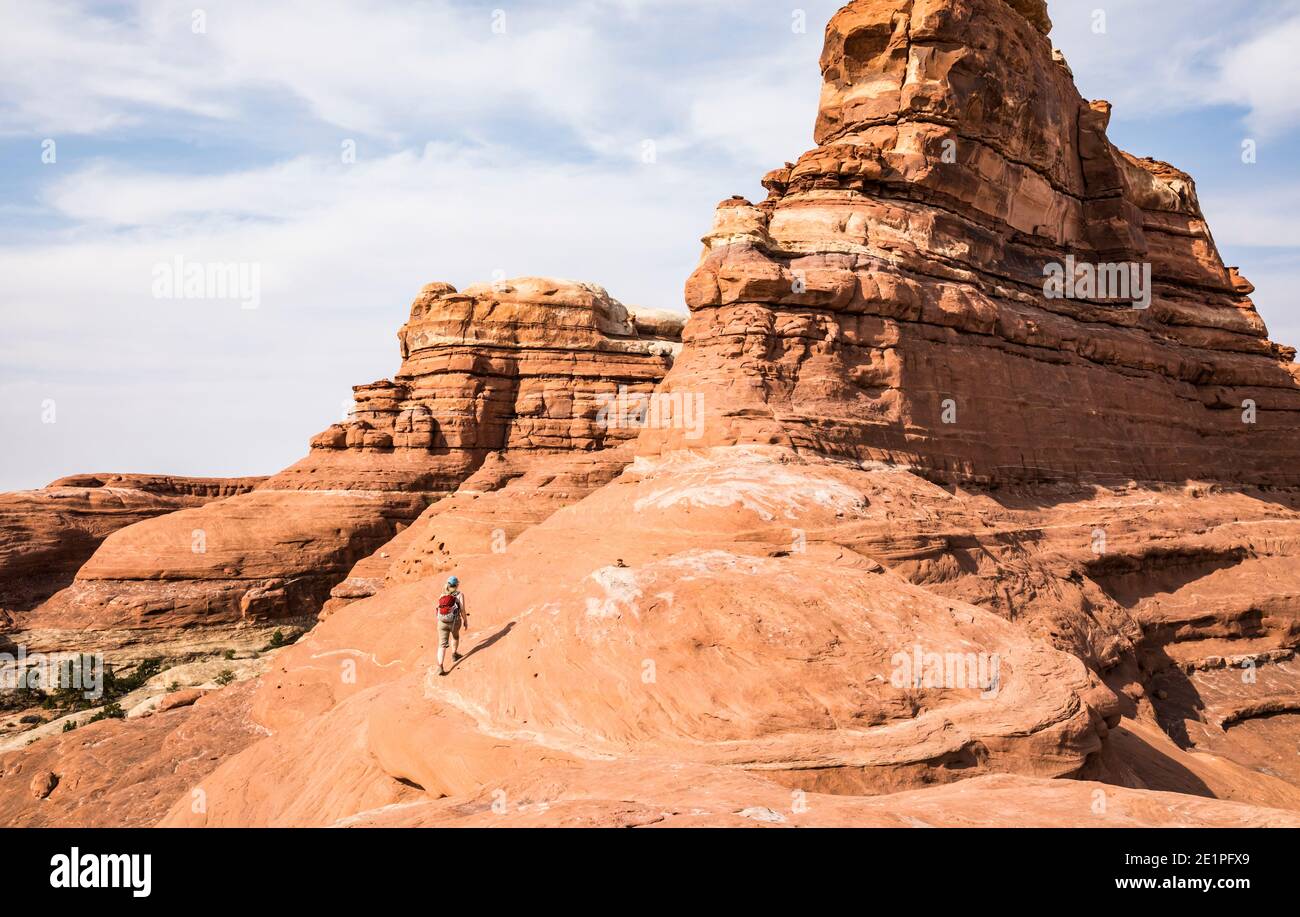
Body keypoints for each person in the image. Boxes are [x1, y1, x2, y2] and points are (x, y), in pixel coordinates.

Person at [436, 576, 467, 677]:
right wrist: (465, 620)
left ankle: (440, 666)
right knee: (455, 637)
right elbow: (462, 609)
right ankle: (454, 654)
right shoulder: (459, 594)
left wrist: (439, 621)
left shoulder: (442, 595)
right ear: (457, 584)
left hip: (441, 622)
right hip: (454, 621)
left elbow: (438, 609)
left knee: (442, 645)